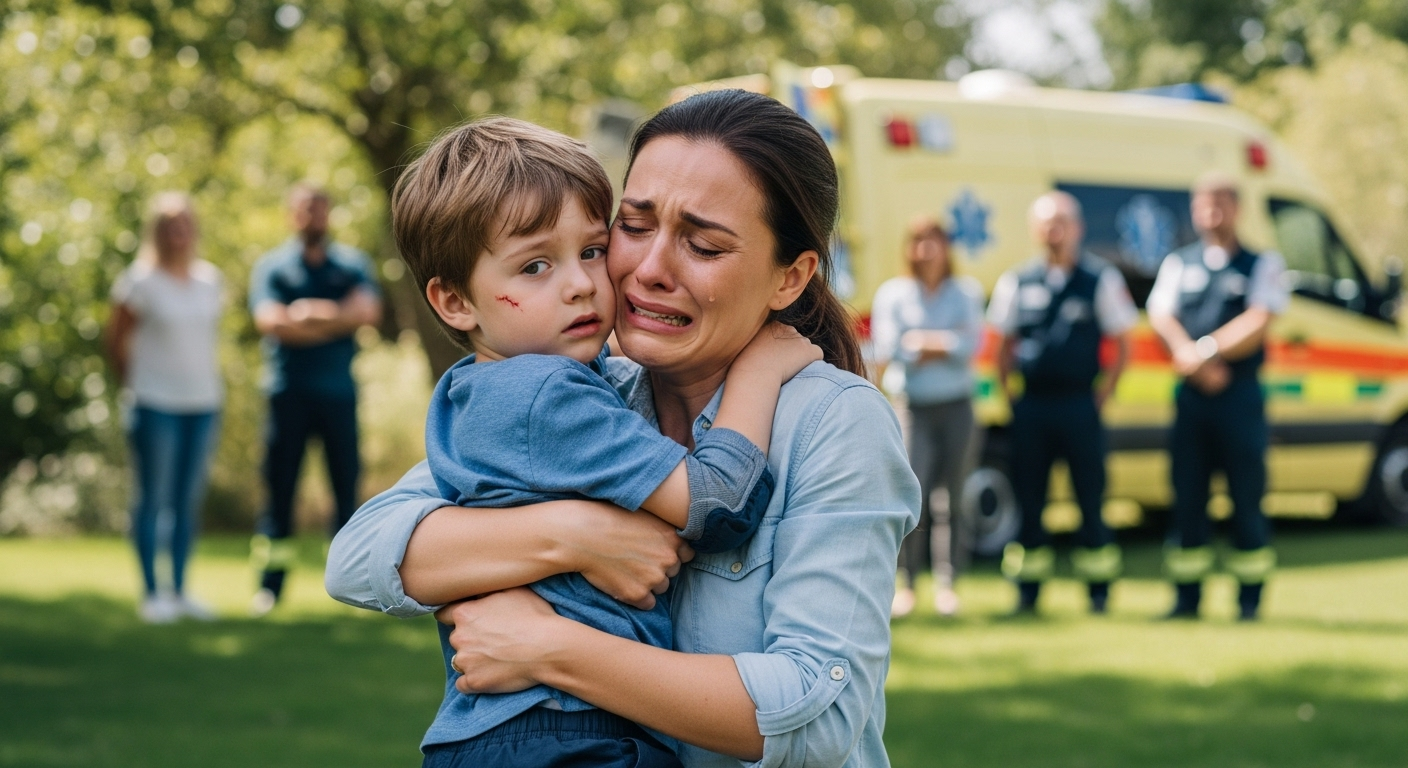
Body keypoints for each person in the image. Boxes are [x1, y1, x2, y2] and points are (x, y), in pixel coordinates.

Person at [327, 89, 920, 767]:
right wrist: (575, 538)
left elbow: (820, 715)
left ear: (791, 277)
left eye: (702, 244)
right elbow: (359, 556)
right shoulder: (587, 393)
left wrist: (553, 649)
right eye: (633, 228)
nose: (648, 269)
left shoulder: (833, 422)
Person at [390, 115, 822, 765]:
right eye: (535, 265)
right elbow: (717, 506)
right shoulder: (546, 398)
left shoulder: (474, 390)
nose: (581, 284)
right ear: (454, 302)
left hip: (514, 727)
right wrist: (759, 371)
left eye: (592, 250)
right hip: (567, 731)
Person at [987, 191, 1136, 615]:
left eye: (1062, 222)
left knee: (1091, 499)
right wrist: (1011, 398)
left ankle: (1099, 592)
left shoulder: (1100, 280)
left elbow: (1123, 341)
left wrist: (1103, 394)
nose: (1055, 231)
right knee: (1030, 501)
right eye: (1047, 222)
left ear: (1078, 228)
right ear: (1036, 230)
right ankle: (1027, 593)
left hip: (1079, 406)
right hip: (1033, 407)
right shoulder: (1018, 281)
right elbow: (1002, 345)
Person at [1147, 173, 1287, 621]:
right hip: (1191, 401)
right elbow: (1161, 315)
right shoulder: (1179, 263)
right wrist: (1190, 357)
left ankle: (1249, 599)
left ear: (1237, 208)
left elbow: (1260, 318)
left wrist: (1205, 351)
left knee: (1246, 496)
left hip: (1238, 397)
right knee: (1187, 496)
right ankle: (1187, 598)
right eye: (1203, 205)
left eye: (1220, 204)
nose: (1211, 213)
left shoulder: (1261, 263)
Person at [247, 184, 382, 615]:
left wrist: (307, 315)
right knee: (279, 494)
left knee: (346, 492)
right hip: (287, 397)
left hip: (338, 396)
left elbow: (368, 313)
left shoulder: (352, 265)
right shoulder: (273, 267)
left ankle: (350, 588)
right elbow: (270, 322)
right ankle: (270, 588)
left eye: (320, 209)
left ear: (330, 214)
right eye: (306, 210)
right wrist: (337, 320)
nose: (314, 217)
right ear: (293, 215)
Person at [104, 192, 224, 623]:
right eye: (170, 225)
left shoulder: (211, 280)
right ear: (158, 230)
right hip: (154, 404)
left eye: (185, 223)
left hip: (204, 403)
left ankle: (179, 591)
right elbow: (115, 342)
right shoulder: (138, 282)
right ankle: (152, 594)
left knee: (186, 501)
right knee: (153, 499)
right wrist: (136, 387)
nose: (179, 232)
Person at [871, 217, 984, 618]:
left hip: (957, 405)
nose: (927, 249)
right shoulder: (895, 293)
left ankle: (948, 584)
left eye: (934, 240)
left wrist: (920, 342)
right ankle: (907, 584)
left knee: (952, 497)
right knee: (910, 494)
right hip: (912, 407)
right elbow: (890, 346)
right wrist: (941, 342)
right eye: (919, 241)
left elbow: (971, 344)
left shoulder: (965, 292)